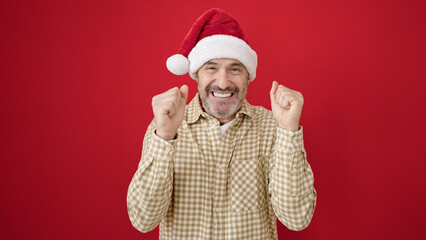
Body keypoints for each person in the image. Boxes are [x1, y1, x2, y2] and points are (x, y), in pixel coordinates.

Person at [127, 8, 316, 240]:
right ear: (196, 74)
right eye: (211, 68)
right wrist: (165, 138)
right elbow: (143, 220)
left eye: (235, 69)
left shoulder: (272, 127)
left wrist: (288, 131)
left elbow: (296, 219)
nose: (223, 82)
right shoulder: (165, 127)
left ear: (248, 76)